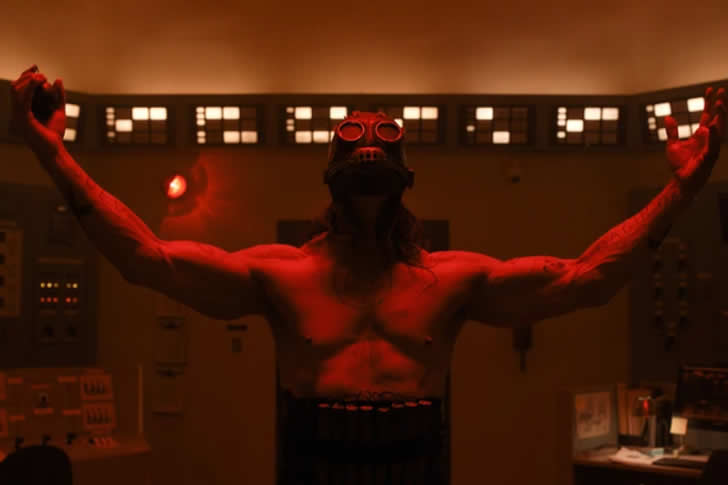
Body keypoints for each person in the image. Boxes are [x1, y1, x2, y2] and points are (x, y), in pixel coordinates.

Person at [9, 65, 726, 484]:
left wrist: (683, 188)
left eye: (383, 142)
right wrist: (53, 153)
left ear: (404, 181)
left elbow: (588, 277)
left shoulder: (450, 280)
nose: (369, 152)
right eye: (354, 143)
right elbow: (148, 259)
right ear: (333, 177)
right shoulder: (281, 274)